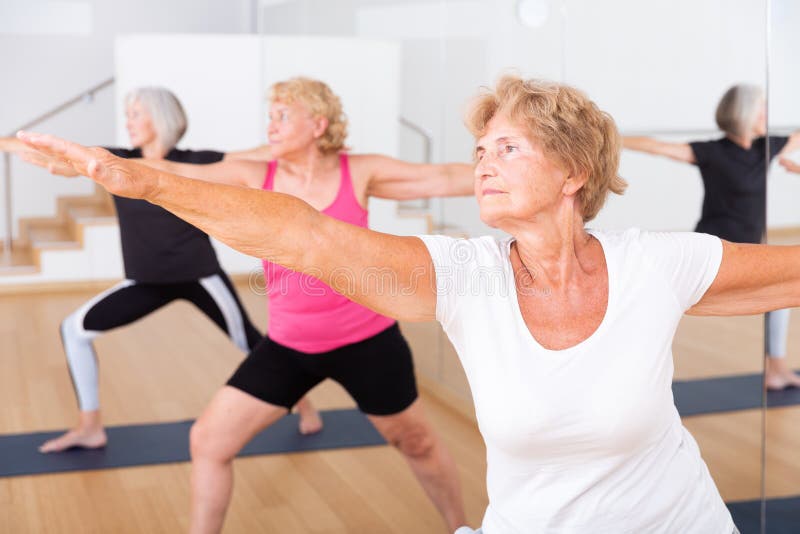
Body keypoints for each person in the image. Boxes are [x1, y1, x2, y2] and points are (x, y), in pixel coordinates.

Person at [19, 74, 795, 533]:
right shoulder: (466, 276)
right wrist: (139, 178)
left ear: (573, 174)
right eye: (481, 151)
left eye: (509, 149)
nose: (483, 164)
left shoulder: (655, 264)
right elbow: (305, 239)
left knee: (415, 441)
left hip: (683, 523)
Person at [25, 77, 474, 534]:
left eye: (283, 115)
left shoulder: (359, 170)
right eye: (271, 114)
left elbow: (443, 177)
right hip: (289, 347)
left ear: (318, 124)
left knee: (415, 441)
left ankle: (462, 527)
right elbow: (171, 175)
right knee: (208, 442)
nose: (271, 125)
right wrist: (94, 166)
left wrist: (516, 167)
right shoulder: (254, 174)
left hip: (368, 342)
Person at [0, 87, 321, 453]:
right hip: (145, 280)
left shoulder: (198, 161)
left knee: (248, 340)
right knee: (73, 330)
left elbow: (258, 156)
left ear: (161, 118)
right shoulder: (118, 160)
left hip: (199, 276)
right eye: (128, 114)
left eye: (137, 113)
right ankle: (90, 428)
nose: (129, 121)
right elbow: (51, 154)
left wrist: (312, 141)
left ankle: (304, 403)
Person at [623, 84, 800, 390]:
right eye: (762, 108)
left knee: (783, 293)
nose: (767, 115)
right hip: (710, 252)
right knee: (664, 305)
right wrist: (610, 137)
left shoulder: (766, 148)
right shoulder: (714, 152)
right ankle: (633, 376)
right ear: (744, 114)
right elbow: (658, 146)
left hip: (750, 251)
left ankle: (777, 369)